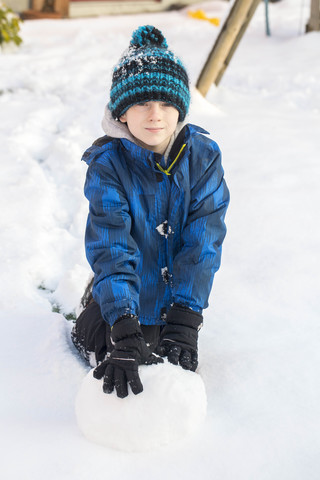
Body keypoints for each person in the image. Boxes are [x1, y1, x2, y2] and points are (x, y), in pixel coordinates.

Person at [71, 25, 230, 398]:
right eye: (142, 103)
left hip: (171, 300)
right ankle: (98, 301)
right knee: (110, 347)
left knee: (169, 364)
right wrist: (122, 324)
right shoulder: (108, 165)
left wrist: (185, 320)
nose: (155, 115)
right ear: (123, 112)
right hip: (124, 294)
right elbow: (112, 246)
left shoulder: (203, 159)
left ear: (181, 108)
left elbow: (203, 242)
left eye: (166, 103)